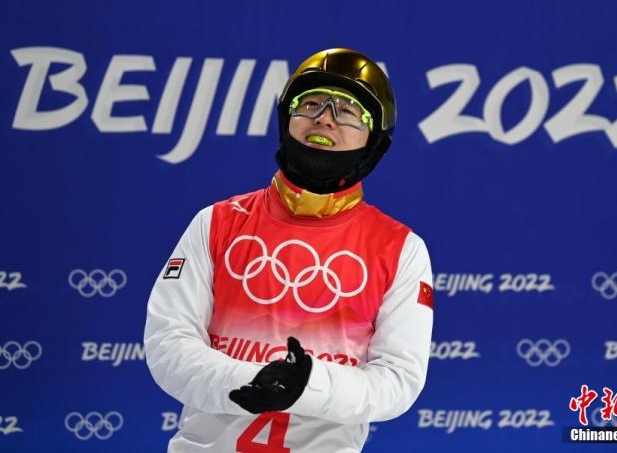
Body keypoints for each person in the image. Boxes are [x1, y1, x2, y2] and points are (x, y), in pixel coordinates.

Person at [144, 48, 434, 453]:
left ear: (375, 142)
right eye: (310, 103)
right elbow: (168, 346)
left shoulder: (401, 249)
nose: (325, 118)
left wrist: (306, 384)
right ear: (286, 120)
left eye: (348, 111)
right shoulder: (216, 222)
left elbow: (397, 381)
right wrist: (251, 381)